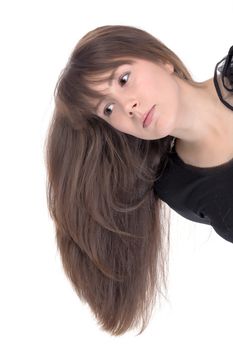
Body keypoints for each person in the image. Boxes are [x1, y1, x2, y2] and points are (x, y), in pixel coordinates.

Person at [44, 24, 233, 336]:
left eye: (123, 79)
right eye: (108, 109)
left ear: (160, 59)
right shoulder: (178, 186)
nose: (127, 106)